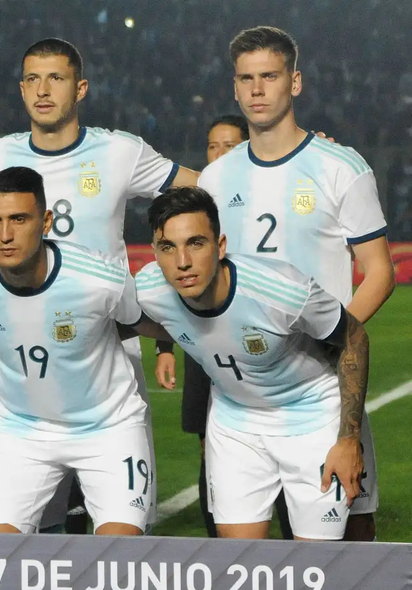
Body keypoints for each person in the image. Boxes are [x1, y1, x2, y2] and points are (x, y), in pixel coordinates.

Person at [0, 37, 201, 533]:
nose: (42, 90)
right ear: (21, 87)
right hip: (25, 351)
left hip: (110, 342)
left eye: (57, 78)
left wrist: (275, 158)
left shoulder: (119, 151)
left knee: (117, 522)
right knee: (29, 522)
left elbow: (206, 190)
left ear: (81, 87)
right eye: (32, 78)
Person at [198, 26, 395, 541]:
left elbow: (379, 270)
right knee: (241, 560)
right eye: (247, 78)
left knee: (349, 542)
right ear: (234, 89)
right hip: (245, 385)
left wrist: (337, 335)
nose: (258, 89)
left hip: (321, 382)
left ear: (296, 82)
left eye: (270, 76)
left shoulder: (339, 166)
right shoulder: (215, 180)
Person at [0, 167, 166, 535]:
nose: (5, 234)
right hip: (21, 431)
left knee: (119, 561)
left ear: (46, 221)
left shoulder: (99, 278)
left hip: (108, 427)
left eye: (19, 219)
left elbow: (148, 321)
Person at [136, 187, 370, 540]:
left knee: (318, 565)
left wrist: (349, 440)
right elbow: (126, 318)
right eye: (168, 247)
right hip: (235, 424)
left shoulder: (282, 290)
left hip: (310, 416)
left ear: (221, 245)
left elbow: (354, 338)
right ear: (155, 253)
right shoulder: (149, 289)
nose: (182, 261)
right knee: (239, 563)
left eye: (196, 243)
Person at [156, 114, 258, 538]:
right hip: (204, 338)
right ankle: (220, 531)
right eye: (213, 147)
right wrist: (164, 348)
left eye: (230, 146)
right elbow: (162, 295)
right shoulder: (196, 204)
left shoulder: (261, 190)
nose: (219, 155)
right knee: (208, 440)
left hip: (254, 327)